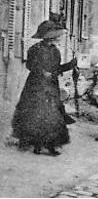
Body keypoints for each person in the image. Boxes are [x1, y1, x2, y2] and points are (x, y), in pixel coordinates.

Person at [12, 20, 77, 156]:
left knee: (52, 116)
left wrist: (70, 65)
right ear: (49, 36)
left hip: (51, 87)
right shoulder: (34, 49)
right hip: (36, 86)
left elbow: (57, 68)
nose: (58, 39)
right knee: (36, 115)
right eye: (56, 36)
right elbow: (30, 65)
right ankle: (36, 144)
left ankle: (50, 145)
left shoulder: (55, 52)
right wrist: (41, 72)